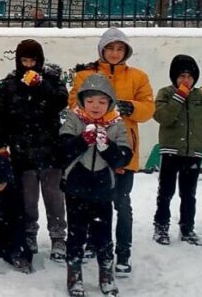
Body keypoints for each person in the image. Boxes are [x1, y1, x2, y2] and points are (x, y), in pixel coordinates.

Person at [69, 28, 153, 275]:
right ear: (102, 50)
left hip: (122, 151)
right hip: (91, 152)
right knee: (91, 203)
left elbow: (149, 108)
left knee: (121, 203)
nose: (115, 53)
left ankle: (123, 253)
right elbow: (74, 103)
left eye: (120, 49)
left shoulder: (138, 77)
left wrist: (131, 107)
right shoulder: (86, 75)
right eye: (110, 48)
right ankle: (93, 245)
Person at [0, 39, 69, 262]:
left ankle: (58, 236)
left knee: (54, 195)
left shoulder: (52, 79)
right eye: (24, 60)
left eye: (32, 60)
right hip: (22, 149)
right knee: (28, 196)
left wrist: (42, 85)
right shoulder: (9, 84)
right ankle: (29, 233)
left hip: (50, 148)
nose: (28, 65)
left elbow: (62, 101)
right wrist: (1, 144)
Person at [60, 74, 132, 297]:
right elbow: (61, 151)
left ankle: (106, 273)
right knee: (76, 234)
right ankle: (74, 274)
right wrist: (83, 140)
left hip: (103, 188)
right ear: (82, 101)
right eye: (90, 101)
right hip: (75, 188)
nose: (95, 106)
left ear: (109, 103)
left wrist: (107, 146)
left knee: (103, 235)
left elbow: (124, 156)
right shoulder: (72, 119)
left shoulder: (117, 124)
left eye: (101, 102)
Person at [151, 54, 202, 247]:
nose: (185, 80)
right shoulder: (165, 93)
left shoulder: (201, 97)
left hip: (193, 154)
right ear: (174, 77)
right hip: (171, 152)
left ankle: (187, 228)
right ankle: (161, 227)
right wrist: (179, 97)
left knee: (189, 194)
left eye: (189, 76)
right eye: (181, 76)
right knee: (166, 192)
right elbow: (164, 117)